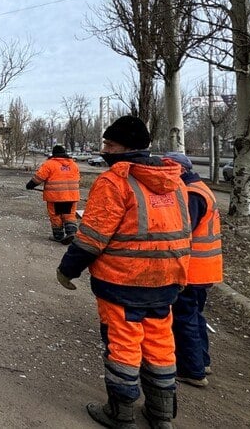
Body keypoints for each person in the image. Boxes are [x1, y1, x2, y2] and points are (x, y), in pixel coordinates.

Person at [56, 116, 190, 429]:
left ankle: (120, 413)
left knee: (124, 346)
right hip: (167, 280)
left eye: (109, 144)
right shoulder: (176, 182)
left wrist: (67, 270)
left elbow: (92, 238)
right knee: (160, 345)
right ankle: (160, 415)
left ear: (126, 148)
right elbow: (184, 233)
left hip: (123, 281)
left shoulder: (115, 180)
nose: (104, 150)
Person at [162, 152, 222, 388]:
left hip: (191, 269)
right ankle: (201, 361)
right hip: (204, 268)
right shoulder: (199, 188)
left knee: (184, 318)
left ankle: (192, 370)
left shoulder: (190, 194)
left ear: (179, 170)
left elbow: (181, 231)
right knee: (195, 316)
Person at [26, 144, 81, 243]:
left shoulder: (49, 164)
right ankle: (71, 233)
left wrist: (30, 185)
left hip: (55, 196)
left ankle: (58, 235)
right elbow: (78, 179)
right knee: (69, 215)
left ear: (54, 154)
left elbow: (39, 177)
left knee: (56, 215)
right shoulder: (73, 164)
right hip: (71, 196)